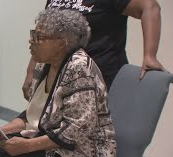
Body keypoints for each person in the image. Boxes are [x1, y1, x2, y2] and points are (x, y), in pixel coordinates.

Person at [0, 9, 116, 157]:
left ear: (61, 43)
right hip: (49, 139)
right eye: (33, 34)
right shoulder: (43, 65)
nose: (31, 41)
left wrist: (28, 146)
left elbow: (76, 130)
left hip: (82, 151)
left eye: (39, 37)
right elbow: (33, 115)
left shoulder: (79, 68)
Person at [22, 0, 164, 99]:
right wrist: (31, 70)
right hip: (59, 76)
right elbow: (44, 32)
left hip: (97, 77)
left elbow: (150, 7)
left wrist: (149, 56)